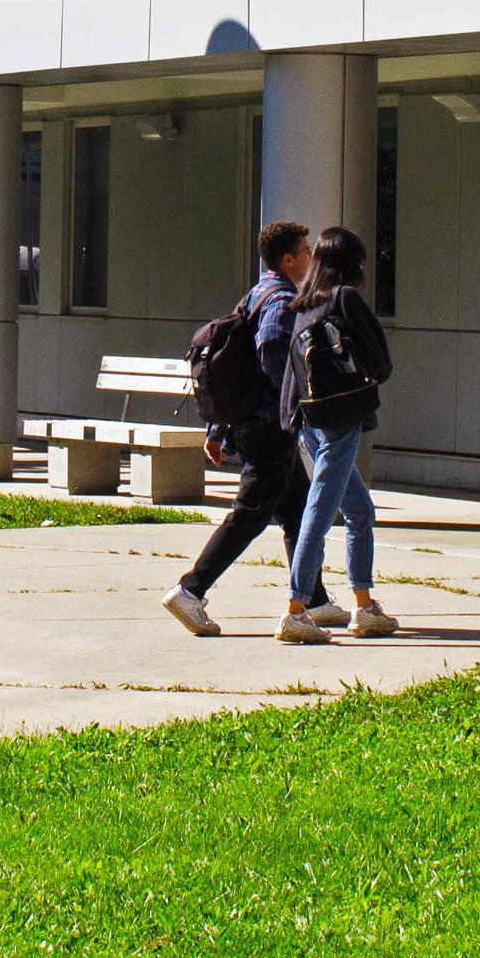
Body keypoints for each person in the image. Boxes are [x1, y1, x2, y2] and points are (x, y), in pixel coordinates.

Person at [160, 221, 338, 637]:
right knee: (250, 515)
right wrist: (297, 402)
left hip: (257, 425)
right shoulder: (280, 302)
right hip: (268, 428)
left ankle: (314, 598)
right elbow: (270, 360)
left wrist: (221, 430)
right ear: (288, 259)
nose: (312, 259)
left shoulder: (257, 293)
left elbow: (236, 366)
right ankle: (191, 590)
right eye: (307, 252)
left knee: (296, 509)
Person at [278, 224, 396, 643]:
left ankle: (364, 607)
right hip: (341, 419)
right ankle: (296, 608)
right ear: (351, 263)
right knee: (320, 511)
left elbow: (293, 370)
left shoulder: (304, 304)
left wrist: (290, 420)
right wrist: (371, 378)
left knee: (360, 511)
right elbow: (379, 356)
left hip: (308, 421)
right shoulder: (345, 298)